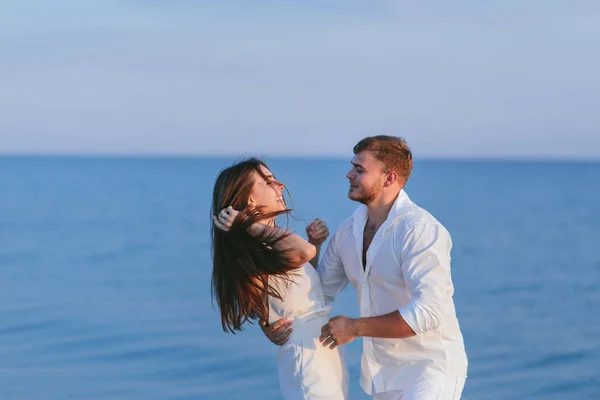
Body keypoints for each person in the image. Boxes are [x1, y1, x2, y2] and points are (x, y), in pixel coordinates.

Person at [265, 136, 468, 400]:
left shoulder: (420, 230)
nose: (349, 174)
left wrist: (355, 327)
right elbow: (317, 294)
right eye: (352, 166)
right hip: (382, 378)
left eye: (359, 170)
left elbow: (428, 312)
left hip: (430, 372)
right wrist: (272, 320)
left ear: (389, 178)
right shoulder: (347, 232)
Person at [210, 158, 349, 400]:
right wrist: (247, 224)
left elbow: (295, 286)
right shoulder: (253, 242)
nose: (281, 186)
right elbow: (305, 253)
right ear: (250, 199)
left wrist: (315, 242)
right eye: (269, 181)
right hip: (307, 353)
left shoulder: (265, 240)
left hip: (322, 349)